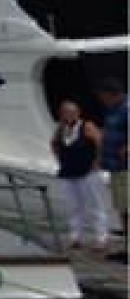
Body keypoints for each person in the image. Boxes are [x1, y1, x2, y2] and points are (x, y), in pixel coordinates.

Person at [50, 100, 109, 249]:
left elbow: (100, 143)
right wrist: (60, 159)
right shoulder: (61, 129)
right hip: (69, 171)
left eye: (71, 112)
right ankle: (76, 237)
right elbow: (54, 143)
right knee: (73, 206)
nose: (68, 115)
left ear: (77, 113)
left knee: (95, 205)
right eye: (65, 113)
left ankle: (101, 237)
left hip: (88, 171)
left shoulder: (86, 126)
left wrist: (97, 161)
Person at [96, 77, 128, 261]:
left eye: (103, 96)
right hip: (115, 165)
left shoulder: (126, 109)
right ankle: (127, 247)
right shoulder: (112, 110)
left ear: (111, 94)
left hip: (126, 166)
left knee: (128, 207)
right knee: (122, 208)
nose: (102, 100)